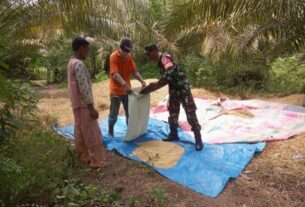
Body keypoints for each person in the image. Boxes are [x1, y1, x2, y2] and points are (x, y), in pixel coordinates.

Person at [140, 44, 203, 151]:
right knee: (173, 111)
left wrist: (158, 83)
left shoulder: (164, 58)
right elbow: (168, 77)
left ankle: (198, 139)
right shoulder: (159, 61)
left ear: (155, 50)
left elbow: (170, 71)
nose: (148, 57)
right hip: (173, 88)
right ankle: (173, 134)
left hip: (183, 88)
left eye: (149, 54)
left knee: (190, 112)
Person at [67, 37, 107, 168]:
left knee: (80, 132)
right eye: (87, 49)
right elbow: (83, 87)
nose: (88, 52)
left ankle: (84, 157)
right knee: (92, 134)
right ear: (81, 48)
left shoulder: (71, 63)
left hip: (76, 105)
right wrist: (91, 107)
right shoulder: (78, 64)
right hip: (84, 106)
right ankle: (97, 161)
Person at [108, 37, 146, 137]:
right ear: (120, 48)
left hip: (127, 91)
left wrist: (142, 81)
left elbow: (134, 71)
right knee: (113, 114)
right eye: (126, 50)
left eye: (129, 50)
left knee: (130, 113)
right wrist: (124, 85)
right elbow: (115, 74)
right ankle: (110, 132)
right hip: (116, 91)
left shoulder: (129, 57)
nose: (127, 52)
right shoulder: (113, 57)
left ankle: (131, 132)